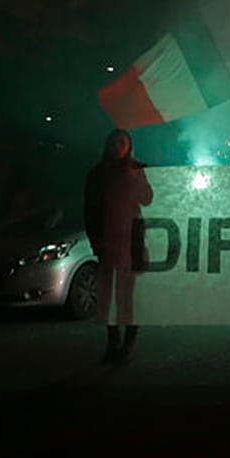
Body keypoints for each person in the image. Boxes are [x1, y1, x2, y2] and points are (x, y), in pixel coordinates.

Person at [84, 129, 153, 364]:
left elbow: (147, 198)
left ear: (129, 145)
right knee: (107, 297)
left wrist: (136, 178)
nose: (118, 146)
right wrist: (96, 241)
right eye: (115, 141)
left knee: (126, 295)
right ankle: (113, 341)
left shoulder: (135, 171)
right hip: (108, 243)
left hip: (130, 242)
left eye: (123, 142)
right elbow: (90, 210)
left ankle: (129, 338)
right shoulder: (98, 174)